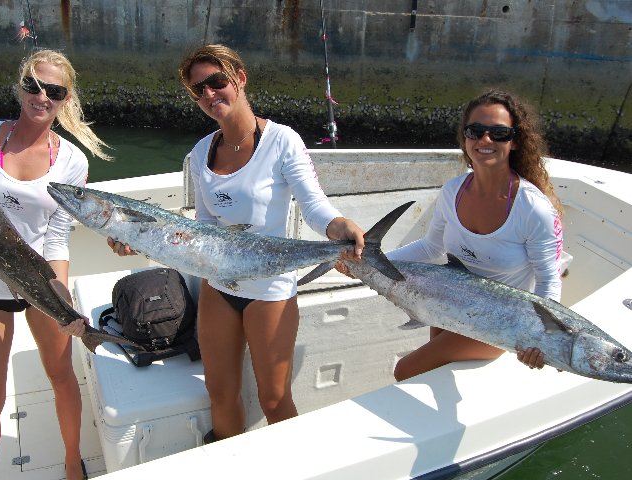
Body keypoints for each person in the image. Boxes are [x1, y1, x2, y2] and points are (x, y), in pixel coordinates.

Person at [104, 43, 365, 442]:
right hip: (219, 287)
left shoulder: (282, 141)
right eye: (198, 90)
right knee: (219, 393)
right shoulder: (199, 152)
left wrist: (340, 226)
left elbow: (313, 206)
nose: (210, 94)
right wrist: (143, 241)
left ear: (239, 79)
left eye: (217, 82)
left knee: (274, 398)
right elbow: (205, 229)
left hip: (269, 290)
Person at [0, 49, 112, 480]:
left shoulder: (72, 163)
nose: (41, 96)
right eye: (33, 85)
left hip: (40, 281)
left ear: (67, 99)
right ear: (20, 85)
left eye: (55, 90)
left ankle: (70, 460)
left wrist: (61, 301)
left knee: (61, 374)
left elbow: (58, 237)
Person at [371, 89, 563, 381]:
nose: (485, 140)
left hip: (499, 322)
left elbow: (549, 280)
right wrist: (367, 260)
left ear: (514, 141)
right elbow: (429, 248)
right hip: (447, 302)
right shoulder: (452, 191)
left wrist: (541, 338)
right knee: (437, 377)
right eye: (476, 131)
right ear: (465, 138)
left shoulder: (533, 209)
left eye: (499, 133)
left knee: (406, 370)